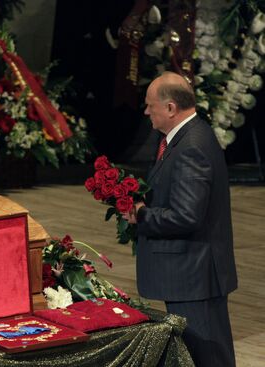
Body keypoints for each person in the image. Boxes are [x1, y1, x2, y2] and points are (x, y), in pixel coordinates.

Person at [124, 71, 237, 367]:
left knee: (208, 357)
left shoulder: (191, 146)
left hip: (194, 276)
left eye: (151, 105)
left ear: (171, 108)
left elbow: (187, 216)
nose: (146, 111)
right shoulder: (187, 136)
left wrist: (142, 216)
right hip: (191, 274)